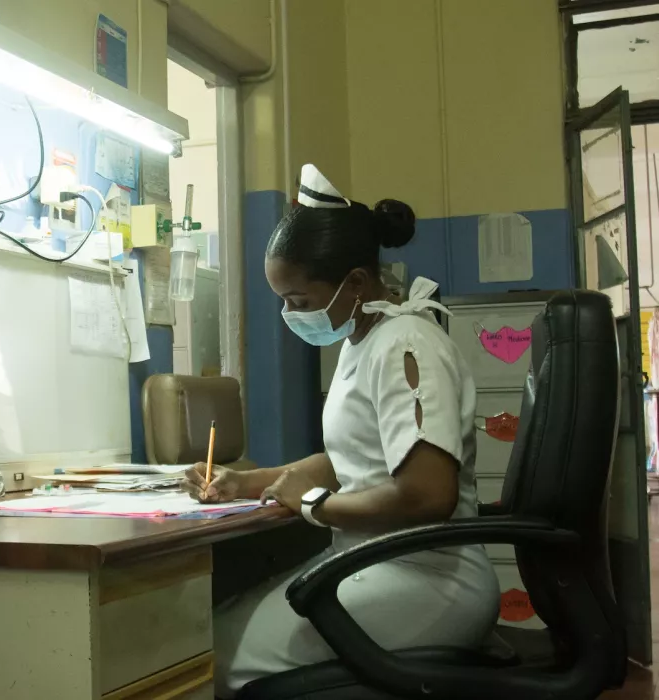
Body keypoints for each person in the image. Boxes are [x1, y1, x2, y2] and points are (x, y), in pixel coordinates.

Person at [183, 165, 500, 697]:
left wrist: (314, 505)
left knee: (219, 661)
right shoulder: (365, 341)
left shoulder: (406, 345)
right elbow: (355, 458)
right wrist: (249, 482)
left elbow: (428, 494)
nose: (290, 313)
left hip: (428, 578)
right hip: (376, 561)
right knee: (206, 637)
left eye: (299, 301)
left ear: (355, 282)